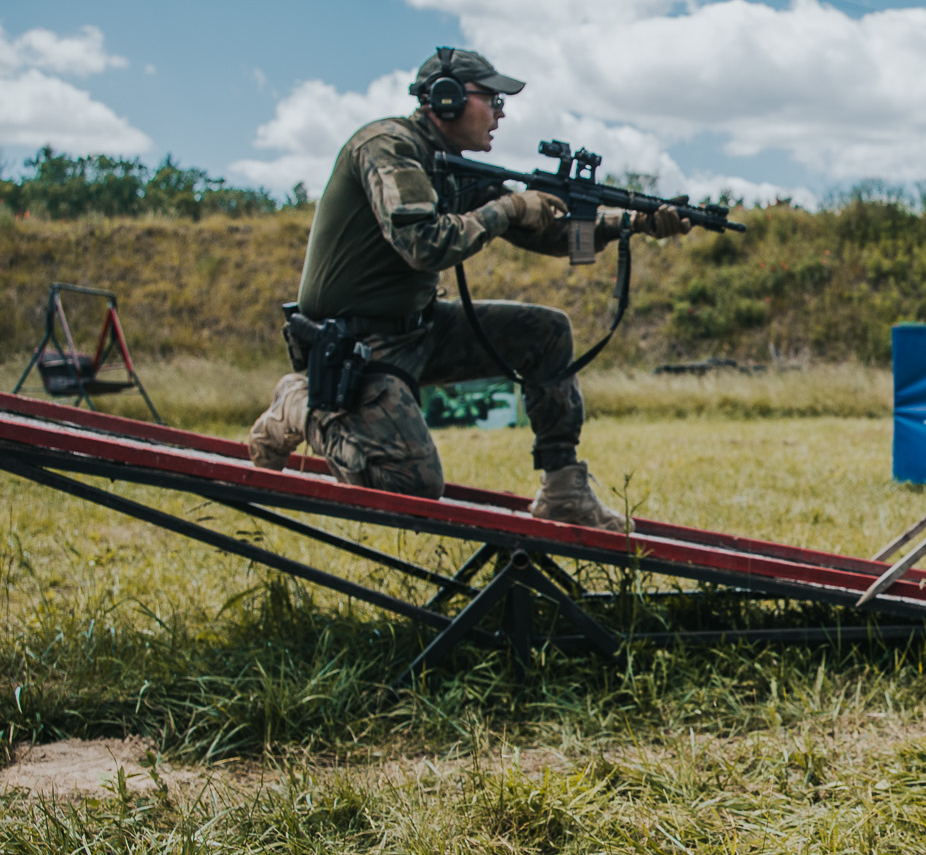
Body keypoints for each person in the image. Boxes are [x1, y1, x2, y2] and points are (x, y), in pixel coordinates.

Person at [246, 46, 689, 529]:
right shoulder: (387, 147)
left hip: (419, 331)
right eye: (493, 100)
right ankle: (301, 401)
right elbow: (422, 244)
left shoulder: (454, 167)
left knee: (546, 332)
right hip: (359, 345)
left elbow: (552, 237)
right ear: (447, 97)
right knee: (411, 487)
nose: (500, 114)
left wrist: (632, 224)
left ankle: (563, 490)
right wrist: (509, 209)